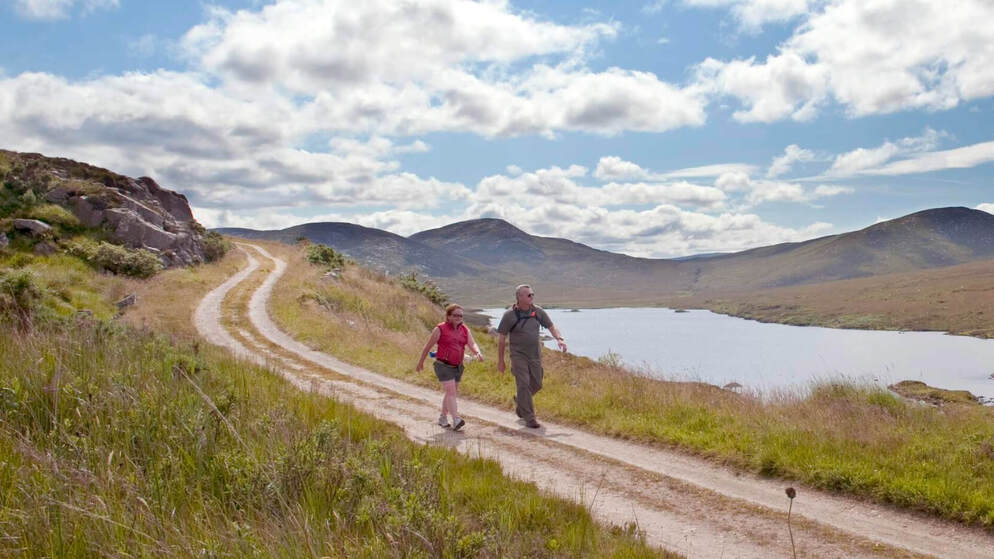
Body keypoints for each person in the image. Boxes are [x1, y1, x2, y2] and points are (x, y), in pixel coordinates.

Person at [496, 285, 567, 429]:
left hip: (535, 355)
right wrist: (501, 361)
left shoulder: (538, 311)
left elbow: (551, 327)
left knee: (537, 383)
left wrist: (559, 339)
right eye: (528, 295)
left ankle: (520, 400)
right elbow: (502, 338)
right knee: (523, 384)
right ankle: (530, 418)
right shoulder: (509, 315)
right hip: (518, 355)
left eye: (532, 294)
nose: (532, 297)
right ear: (519, 297)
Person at [416, 303, 483, 431]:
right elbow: (428, 347)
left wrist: (477, 352)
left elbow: (472, 343)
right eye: (455, 315)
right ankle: (456, 419)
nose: (458, 317)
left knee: (450, 393)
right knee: (451, 392)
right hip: (443, 365)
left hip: (457, 366)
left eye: (461, 315)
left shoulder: (464, 329)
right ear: (448, 316)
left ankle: (442, 417)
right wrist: (420, 362)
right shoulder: (440, 329)